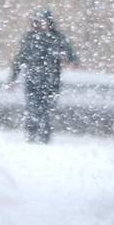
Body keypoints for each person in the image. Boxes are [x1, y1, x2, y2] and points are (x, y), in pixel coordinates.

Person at [10, 9, 78, 143]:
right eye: (40, 21)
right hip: (32, 80)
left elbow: (70, 53)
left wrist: (72, 61)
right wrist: (13, 79)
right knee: (32, 109)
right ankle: (31, 136)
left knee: (47, 111)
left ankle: (44, 137)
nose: (42, 24)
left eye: (44, 21)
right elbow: (19, 59)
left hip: (51, 81)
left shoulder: (57, 37)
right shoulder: (29, 38)